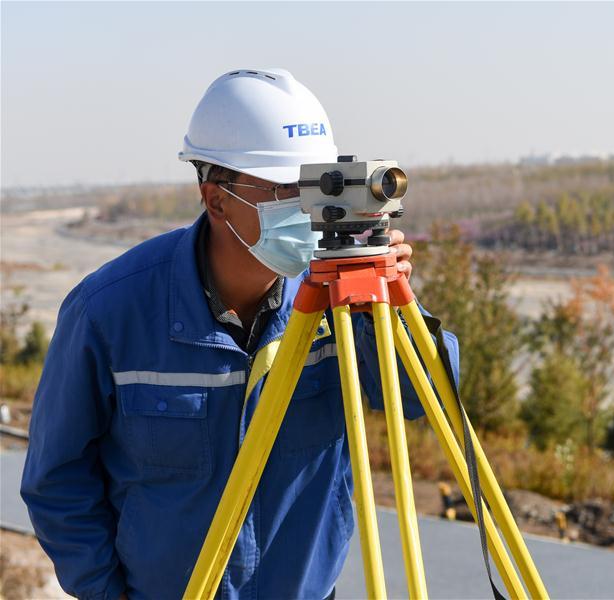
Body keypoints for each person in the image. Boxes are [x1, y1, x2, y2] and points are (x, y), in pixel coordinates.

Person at [21, 68, 459, 600]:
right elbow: (58, 482)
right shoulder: (109, 313)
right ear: (216, 198)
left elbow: (426, 397)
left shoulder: (341, 304)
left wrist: (381, 308)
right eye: (284, 187)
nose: (306, 205)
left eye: (315, 185)